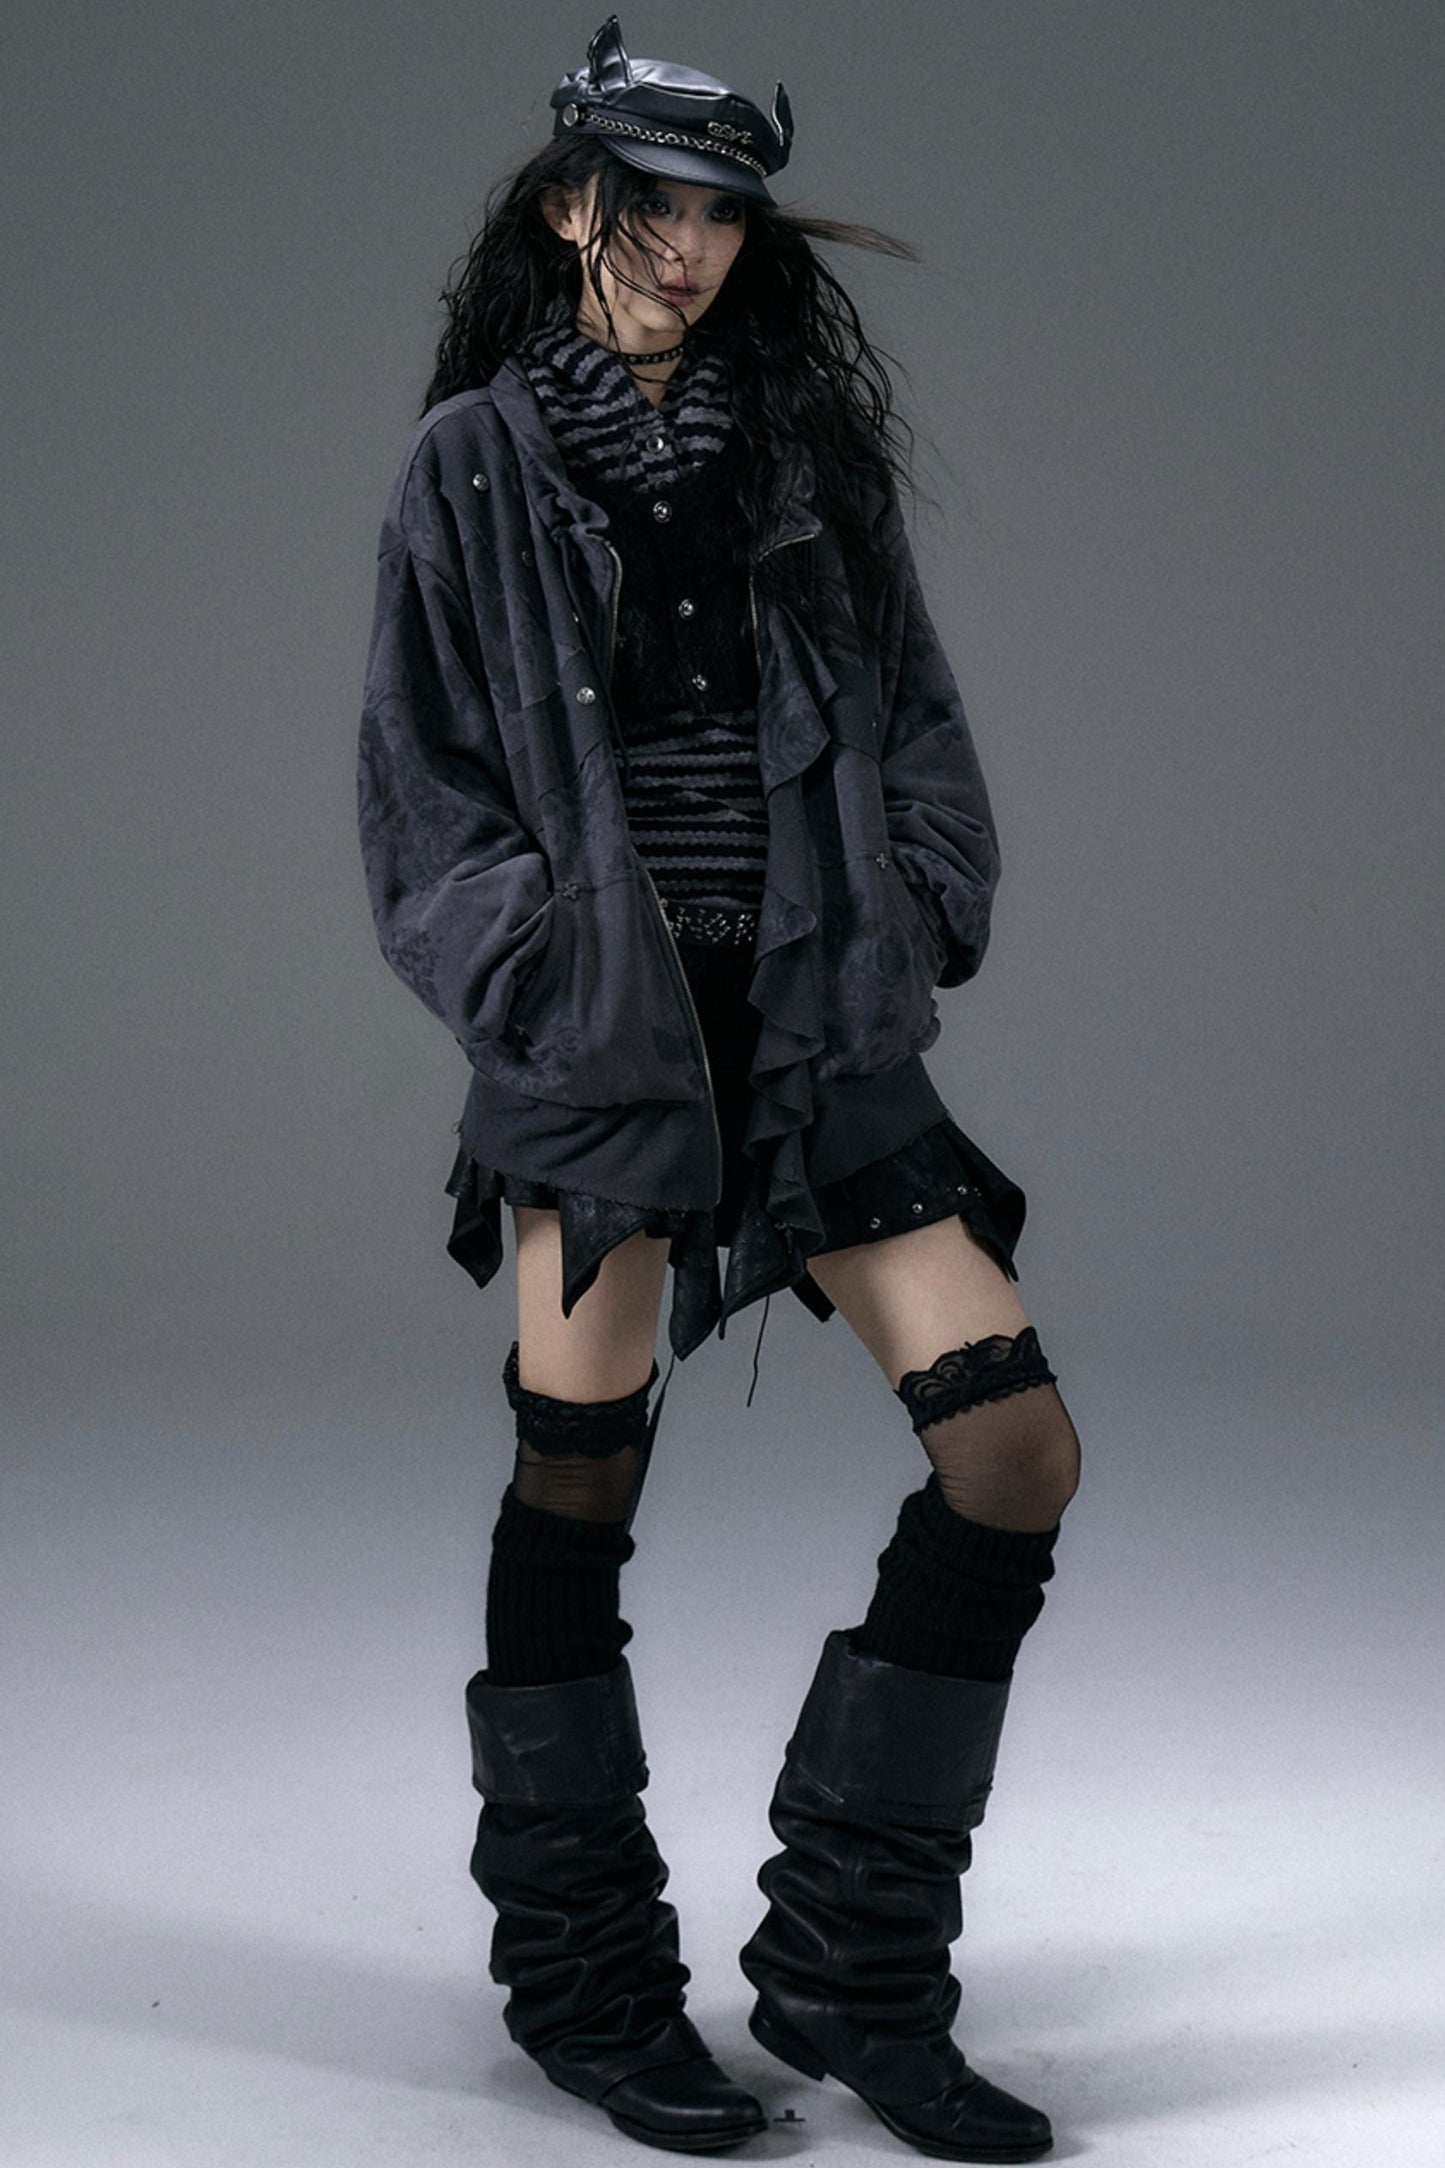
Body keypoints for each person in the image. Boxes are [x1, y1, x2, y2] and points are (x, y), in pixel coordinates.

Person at [356, 14, 1082, 2160]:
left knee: (1013, 1454)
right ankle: (588, 1984)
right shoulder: (472, 464)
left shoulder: (802, 456)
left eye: (723, 218)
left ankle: (851, 1963)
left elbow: (920, 718)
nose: (687, 249)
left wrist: (915, 904)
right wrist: (538, 976)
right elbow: (424, 797)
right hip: (602, 1043)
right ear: (569, 206)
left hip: (822, 1020)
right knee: (576, 1483)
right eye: (650, 208)